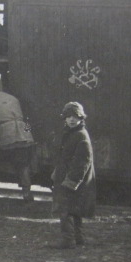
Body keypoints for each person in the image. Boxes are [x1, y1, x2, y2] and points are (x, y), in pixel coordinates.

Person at [51, 102, 96, 249]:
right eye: (68, 116)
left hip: (72, 180)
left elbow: (82, 162)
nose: (71, 119)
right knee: (74, 210)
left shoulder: (80, 135)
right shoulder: (71, 133)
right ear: (64, 118)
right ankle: (78, 237)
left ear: (81, 118)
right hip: (68, 177)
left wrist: (71, 181)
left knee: (65, 209)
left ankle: (68, 240)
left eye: (75, 116)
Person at [0, 76, 36, 201]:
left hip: (4, 137)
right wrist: (27, 134)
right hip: (23, 136)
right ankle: (26, 193)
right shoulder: (13, 98)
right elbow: (26, 118)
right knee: (22, 165)